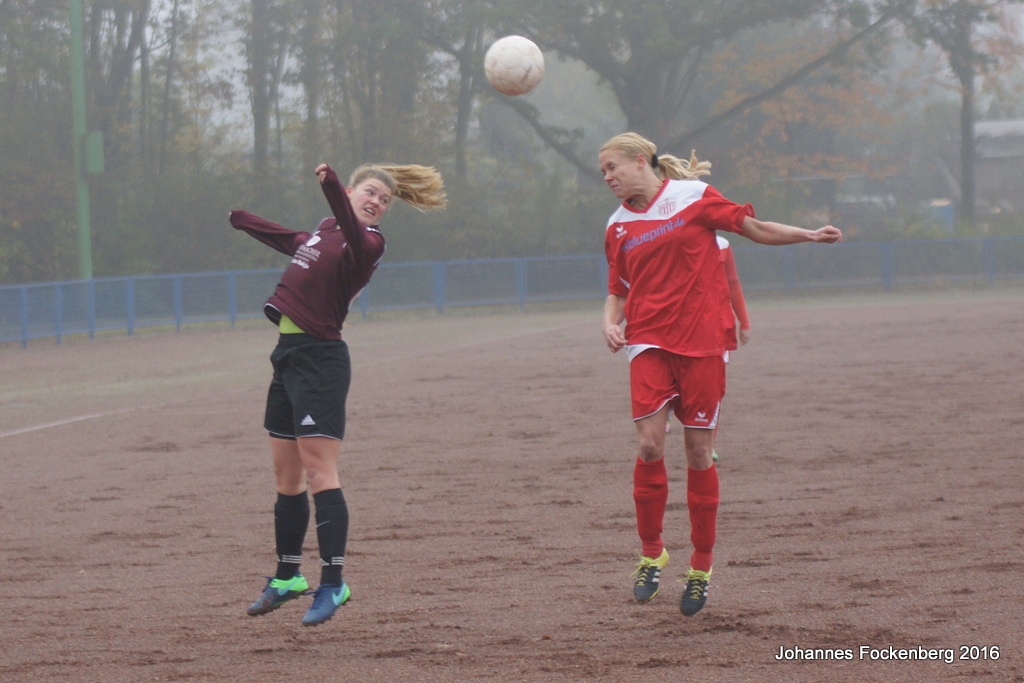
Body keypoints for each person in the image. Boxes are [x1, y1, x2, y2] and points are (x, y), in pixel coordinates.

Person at [599, 132, 841, 616]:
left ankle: (700, 566)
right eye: (602, 171)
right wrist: (610, 321)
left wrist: (809, 235)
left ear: (641, 161)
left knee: (698, 452)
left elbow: (755, 228)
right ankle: (651, 554)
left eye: (612, 167)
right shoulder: (618, 225)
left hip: (703, 341)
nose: (607, 177)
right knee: (649, 445)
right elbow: (618, 288)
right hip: (648, 340)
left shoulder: (693, 197)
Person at [230, 161, 446, 626]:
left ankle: (333, 583)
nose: (377, 202)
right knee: (287, 476)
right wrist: (245, 221)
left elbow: (348, 224)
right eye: (370, 192)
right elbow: (292, 241)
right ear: (352, 192)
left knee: (319, 472)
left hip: (321, 362)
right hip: (287, 356)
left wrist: (329, 185)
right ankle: (288, 576)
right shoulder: (325, 230)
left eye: (384, 200)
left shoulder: (369, 243)